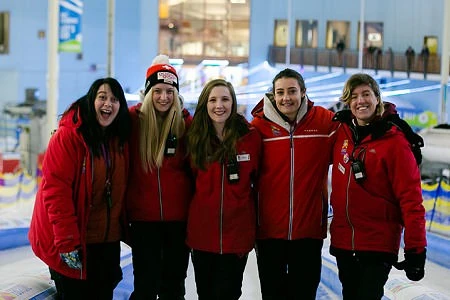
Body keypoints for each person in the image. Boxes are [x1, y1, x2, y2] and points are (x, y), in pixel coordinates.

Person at [28, 77, 132, 299]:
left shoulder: (119, 140)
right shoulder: (68, 137)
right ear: (90, 101)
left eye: (114, 99)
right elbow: (56, 192)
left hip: (105, 242)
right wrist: (67, 243)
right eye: (102, 97)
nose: (108, 104)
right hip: (72, 240)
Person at [329, 73, 427, 299]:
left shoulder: (394, 142)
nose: (360, 101)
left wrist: (416, 249)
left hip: (377, 244)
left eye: (366, 94)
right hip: (345, 241)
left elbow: (411, 199)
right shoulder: (341, 132)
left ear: (377, 99)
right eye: (354, 96)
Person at [250, 68, 338, 300]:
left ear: (303, 93)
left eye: (292, 91)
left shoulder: (324, 122)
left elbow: (353, 142)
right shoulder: (258, 128)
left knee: (304, 294)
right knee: (273, 295)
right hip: (269, 232)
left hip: (308, 231)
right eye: (280, 92)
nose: (285, 98)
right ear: (273, 94)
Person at [186, 78, 262, 300]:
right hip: (202, 236)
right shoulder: (194, 138)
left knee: (228, 294)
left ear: (233, 102)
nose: (219, 105)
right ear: (205, 104)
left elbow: (257, 181)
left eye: (225, 99)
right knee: (206, 295)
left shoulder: (250, 137)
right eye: (213, 100)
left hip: (236, 236)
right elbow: (188, 182)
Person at [126, 54, 193, 300]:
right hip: (144, 221)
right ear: (148, 92)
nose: (164, 97)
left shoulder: (185, 122)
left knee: (174, 286)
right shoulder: (133, 121)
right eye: (158, 91)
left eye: (169, 91)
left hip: (178, 222)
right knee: (145, 285)